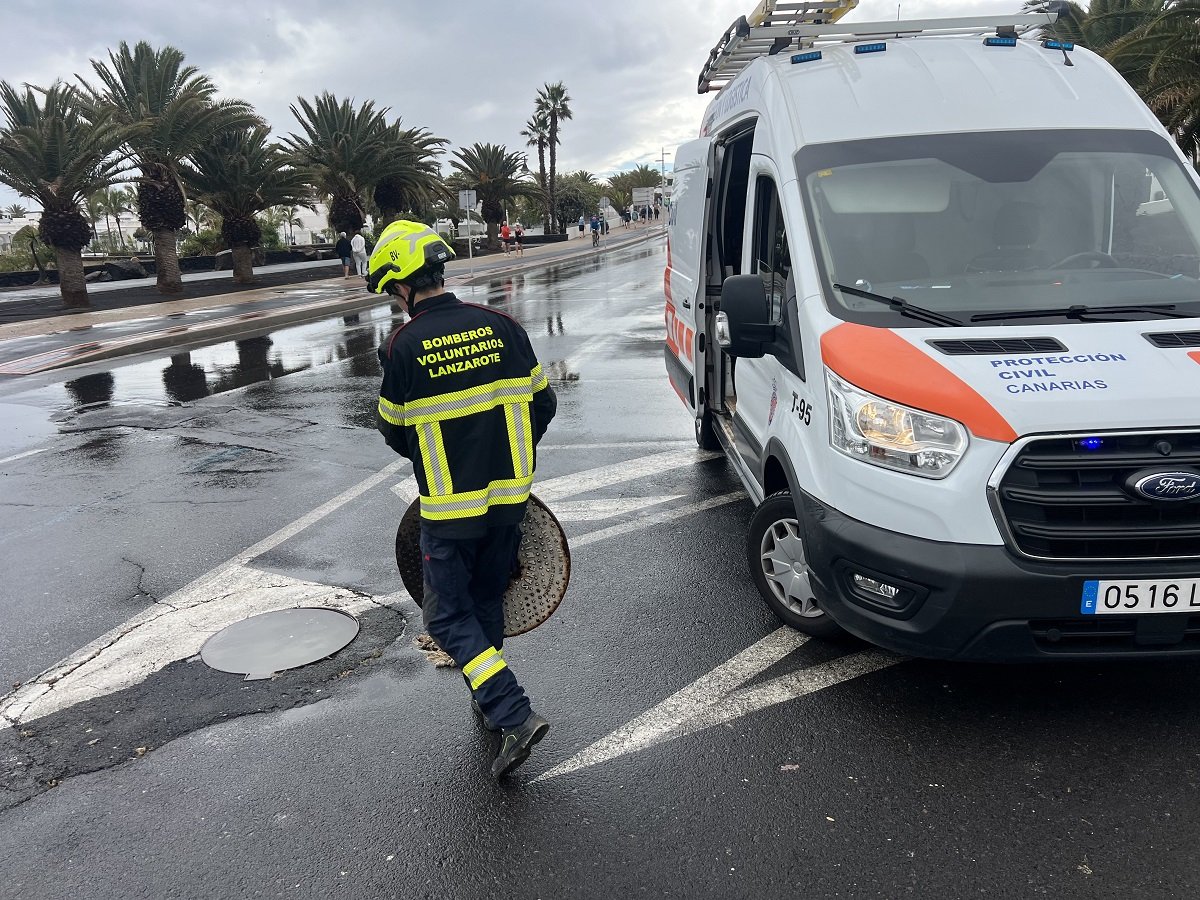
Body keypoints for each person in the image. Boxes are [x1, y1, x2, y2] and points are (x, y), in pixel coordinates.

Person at [369, 220, 558, 778]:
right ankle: (487, 698)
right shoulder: (502, 326)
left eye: (390, 289)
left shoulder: (402, 347)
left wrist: (441, 453)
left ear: (403, 284)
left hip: (450, 510)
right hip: (510, 499)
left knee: (447, 618)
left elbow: (393, 428)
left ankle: (512, 712)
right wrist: (507, 454)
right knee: (486, 601)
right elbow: (542, 404)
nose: (393, 300)